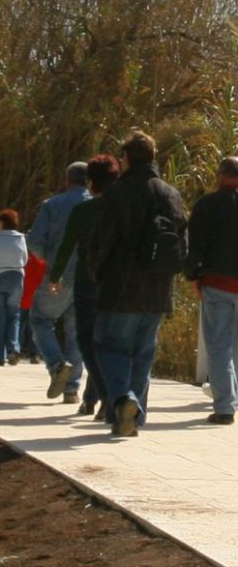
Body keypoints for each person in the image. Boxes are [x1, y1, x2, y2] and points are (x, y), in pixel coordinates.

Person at [88, 131, 187, 436]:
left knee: (108, 346)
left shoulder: (117, 193)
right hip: (158, 289)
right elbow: (181, 244)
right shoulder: (170, 194)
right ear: (154, 158)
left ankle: (123, 399)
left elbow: (102, 240)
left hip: (120, 287)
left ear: (126, 159)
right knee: (142, 354)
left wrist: (95, 273)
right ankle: (130, 420)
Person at [47, 153, 122, 419]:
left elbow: (67, 246)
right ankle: (94, 398)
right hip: (116, 284)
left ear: (91, 182)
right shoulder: (121, 210)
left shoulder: (83, 211)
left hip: (86, 281)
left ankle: (106, 396)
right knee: (107, 342)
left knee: (86, 341)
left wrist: (55, 276)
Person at [26, 162, 92, 402]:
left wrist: (49, 261)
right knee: (76, 333)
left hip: (58, 275)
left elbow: (34, 241)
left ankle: (56, 366)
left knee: (40, 319)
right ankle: (72, 390)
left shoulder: (52, 205)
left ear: (67, 180)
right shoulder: (98, 204)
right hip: (89, 277)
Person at [185, 155, 238, 426]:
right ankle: (232, 397)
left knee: (218, 346)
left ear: (220, 176)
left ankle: (225, 406)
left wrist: (193, 276)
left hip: (217, 283)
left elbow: (194, 245)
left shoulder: (206, 204)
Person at [0, 208, 28, 365]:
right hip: (15, 276)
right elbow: (24, 259)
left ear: (1, 222)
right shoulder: (20, 238)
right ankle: (13, 349)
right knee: (14, 315)